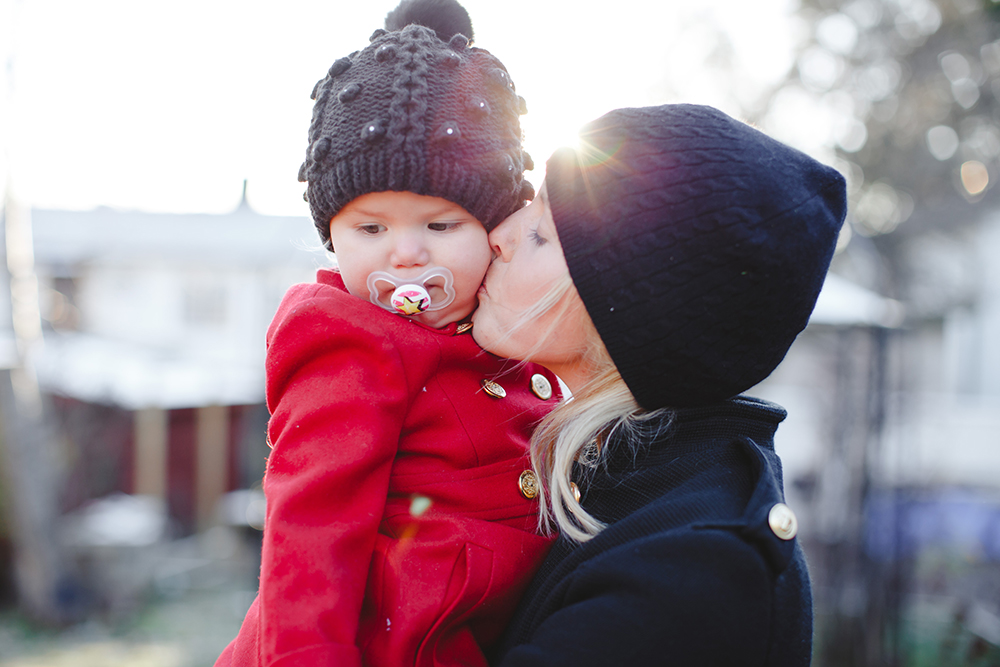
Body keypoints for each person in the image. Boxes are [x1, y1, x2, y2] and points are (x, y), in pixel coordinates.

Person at [214, 2, 560, 666]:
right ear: (332, 234)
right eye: (370, 229)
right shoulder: (347, 343)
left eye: (439, 226)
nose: (404, 253)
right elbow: (309, 538)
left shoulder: (504, 336)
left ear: (496, 228)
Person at [472, 104, 848, 666]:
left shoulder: (693, 572)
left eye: (542, 235)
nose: (498, 234)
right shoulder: (620, 481)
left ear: (637, 312)